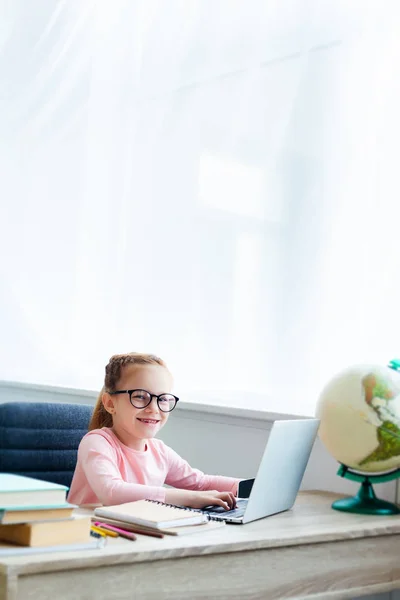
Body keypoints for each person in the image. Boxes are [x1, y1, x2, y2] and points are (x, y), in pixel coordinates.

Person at [68, 352, 240, 509]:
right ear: (110, 404)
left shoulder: (159, 451)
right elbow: (111, 492)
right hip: (90, 535)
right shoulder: (97, 442)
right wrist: (190, 498)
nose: (154, 408)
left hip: (136, 533)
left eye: (163, 398)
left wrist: (255, 486)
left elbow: (201, 483)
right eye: (140, 396)